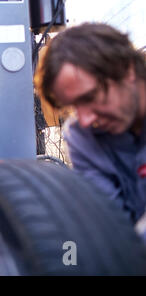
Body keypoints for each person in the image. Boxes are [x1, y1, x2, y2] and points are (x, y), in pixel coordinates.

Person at [37, 22, 146, 224]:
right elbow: (108, 226)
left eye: (89, 98)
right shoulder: (82, 138)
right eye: (73, 106)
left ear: (126, 70)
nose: (85, 120)